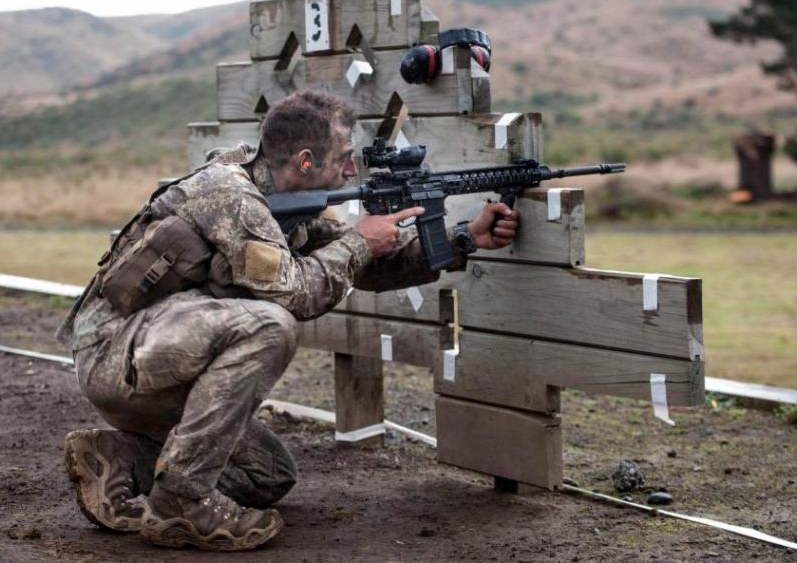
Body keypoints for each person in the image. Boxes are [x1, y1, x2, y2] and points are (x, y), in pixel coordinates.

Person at [57, 90, 521, 552]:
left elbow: (363, 264)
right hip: (116, 358)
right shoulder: (232, 197)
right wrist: (359, 242)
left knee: (267, 475)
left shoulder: (285, 200)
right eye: (343, 157)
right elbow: (296, 292)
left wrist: (464, 238)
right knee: (270, 324)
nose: (351, 170)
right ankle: (180, 504)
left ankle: (118, 462)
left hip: (159, 361)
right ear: (304, 160)